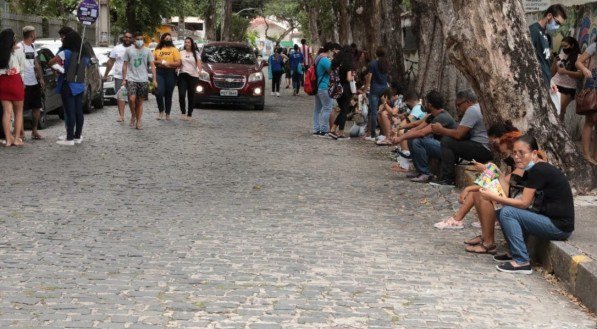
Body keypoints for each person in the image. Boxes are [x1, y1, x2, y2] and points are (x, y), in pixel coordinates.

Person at [483, 135, 574, 275]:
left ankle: (522, 261)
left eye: (522, 153)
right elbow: (510, 189)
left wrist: (494, 197)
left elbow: (524, 203)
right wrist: (497, 176)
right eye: (514, 152)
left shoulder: (539, 170)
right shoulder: (532, 169)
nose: (517, 157)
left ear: (534, 153)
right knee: (502, 211)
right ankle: (515, 253)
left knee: (508, 212)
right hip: (547, 217)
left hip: (559, 227)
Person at [434, 122, 521, 230]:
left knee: (489, 174)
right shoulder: (515, 161)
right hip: (510, 193)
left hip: (514, 200)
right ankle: (458, 219)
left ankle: (458, 219)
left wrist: (485, 173)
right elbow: (506, 180)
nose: (492, 143)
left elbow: (505, 181)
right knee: (487, 175)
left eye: (494, 139)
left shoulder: (521, 162)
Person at [390, 90, 458, 182]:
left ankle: (425, 173)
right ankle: (420, 171)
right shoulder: (432, 116)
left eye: (425, 102)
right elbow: (416, 128)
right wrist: (401, 135)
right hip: (440, 146)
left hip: (448, 151)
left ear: (430, 104)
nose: (423, 104)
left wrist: (401, 138)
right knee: (412, 138)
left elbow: (422, 132)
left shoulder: (442, 117)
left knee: (417, 141)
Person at [430, 89, 492, 186]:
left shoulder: (472, 110)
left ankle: (447, 179)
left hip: (482, 149)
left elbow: (459, 134)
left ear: (467, 102)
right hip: (485, 148)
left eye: (459, 105)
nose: (458, 108)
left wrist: (441, 129)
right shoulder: (479, 107)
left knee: (447, 141)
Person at [48, 30, 89, 146]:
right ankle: (77, 136)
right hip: (79, 84)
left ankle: (69, 138)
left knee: (70, 111)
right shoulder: (84, 54)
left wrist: (59, 69)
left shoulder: (65, 52)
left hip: (68, 84)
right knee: (78, 112)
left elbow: (51, 62)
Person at [122, 32, 157, 130]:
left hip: (143, 79)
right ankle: (133, 114)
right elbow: (125, 64)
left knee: (140, 102)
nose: (139, 41)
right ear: (134, 40)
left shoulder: (147, 51)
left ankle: (139, 121)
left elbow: (152, 65)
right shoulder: (129, 50)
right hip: (131, 78)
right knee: (132, 99)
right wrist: (124, 79)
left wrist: (154, 79)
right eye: (137, 39)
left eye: (141, 39)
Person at [529, 4, 567, 90]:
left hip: (546, 82)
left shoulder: (546, 36)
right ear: (549, 15)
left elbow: (548, 56)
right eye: (557, 22)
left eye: (559, 25)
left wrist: (550, 80)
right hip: (537, 84)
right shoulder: (533, 31)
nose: (557, 27)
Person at [0, 28, 26, 147]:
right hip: (15, 81)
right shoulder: (19, 51)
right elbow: (23, 68)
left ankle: (8, 140)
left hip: (3, 82)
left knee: (7, 112)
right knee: (18, 112)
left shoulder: (1, 51)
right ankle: (16, 138)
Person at [19, 26, 45, 140]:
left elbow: (37, 64)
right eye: (34, 34)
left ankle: (34, 130)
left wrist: (41, 78)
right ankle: (21, 132)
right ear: (30, 35)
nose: (35, 36)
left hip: (33, 82)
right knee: (21, 109)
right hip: (23, 82)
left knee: (36, 107)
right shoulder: (19, 47)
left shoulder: (33, 46)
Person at [575, 37, 597, 165]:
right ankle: (586, 155)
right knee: (590, 120)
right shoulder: (594, 46)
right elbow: (578, 62)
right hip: (592, 87)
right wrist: (584, 70)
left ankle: (595, 156)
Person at [104, 31, 133, 123]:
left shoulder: (135, 48)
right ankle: (121, 115)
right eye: (126, 37)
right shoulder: (116, 48)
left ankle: (134, 115)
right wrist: (106, 74)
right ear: (123, 38)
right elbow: (110, 62)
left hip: (133, 76)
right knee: (121, 96)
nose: (127, 39)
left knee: (132, 97)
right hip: (119, 76)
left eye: (129, 37)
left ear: (132, 39)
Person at [551, 36, 582, 122]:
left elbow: (580, 74)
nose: (564, 48)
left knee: (557, 110)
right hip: (555, 83)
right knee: (556, 111)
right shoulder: (560, 55)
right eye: (562, 46)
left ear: (572, 45)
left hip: (568, 88)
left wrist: (566, 71)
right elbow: (553, 73)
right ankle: (560, 130)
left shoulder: (579, 57)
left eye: (565, 46)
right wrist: (554, 62)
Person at [312, 42, 340, 137]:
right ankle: (324, 130)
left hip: (318, 86)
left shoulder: (317, 58)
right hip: (324, 86)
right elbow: (332, 71)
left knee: (317, 109)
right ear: (330, 50)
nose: (333, 53)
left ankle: (316, 129)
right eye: (333, 51)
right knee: (327, 108)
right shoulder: (324, 59)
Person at [153, 33, 181, 121]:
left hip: (170, 73)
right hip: (160, 72)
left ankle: (167, 113)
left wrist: (168, 64)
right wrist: (160, 62)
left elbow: (178, 63)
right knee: (159, 92)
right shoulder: (157, 50)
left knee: (169, 94)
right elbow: (152, 61)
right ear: (163, 39)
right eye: (166, 38)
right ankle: (161, 110)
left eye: (170, 39)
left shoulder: (174, 50)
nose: (168, 40)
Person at [329, 45, 354, 139]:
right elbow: (348, 78)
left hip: (337, 88)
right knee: (344, 110)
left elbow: (330, 72)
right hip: (346, 88)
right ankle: (339, 131)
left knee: (343, 109)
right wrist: (353, 77)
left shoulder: (336, 61)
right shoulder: (348, 63)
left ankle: (334, 130)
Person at [365, 47, 389, 141]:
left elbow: (369, 77)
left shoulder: (373, 63)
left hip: (374, 89)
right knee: (383, 110)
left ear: (376, 54)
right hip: (384, 89)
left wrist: (366, 88)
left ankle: (373, 133)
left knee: (374, 112)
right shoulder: (386, 64)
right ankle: (383, 132)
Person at [177, 37, 201, 121]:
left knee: (191, 96)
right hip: (183, 75)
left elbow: (199, 64)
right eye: (186, 42)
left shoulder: (196, 53)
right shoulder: (181, 52)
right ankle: (183, 112)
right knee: (182, 94)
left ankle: (189, 113)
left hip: (193, 76)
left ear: (192, 44)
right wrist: (177, 68)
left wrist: (200, 71)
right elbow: (179, 63)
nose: (187, 44)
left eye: (189, 42)